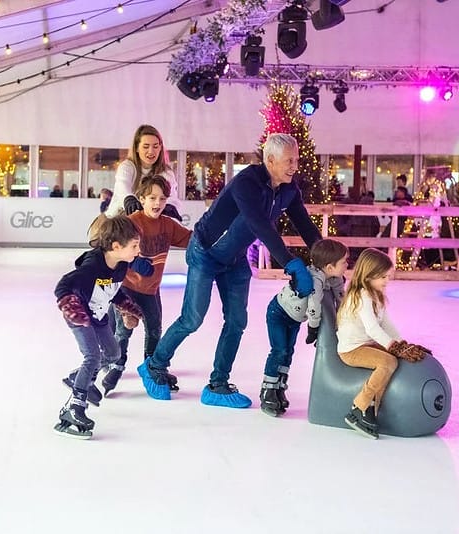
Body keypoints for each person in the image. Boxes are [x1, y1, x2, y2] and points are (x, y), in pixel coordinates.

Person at [138, 133, 322, 408]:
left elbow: (305, 225)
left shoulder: (288, 189)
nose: (295, 165)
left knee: (237, 321)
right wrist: (291, 263)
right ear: (270, 160)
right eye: (289, 160)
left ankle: (218, 384)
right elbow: (260, 225)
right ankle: (154, 365)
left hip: (234, 259)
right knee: (193, 318)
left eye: (296, 159)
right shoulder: (247, 183)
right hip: (205, 252)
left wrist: (325, 257)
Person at [53, 215, 144, 439]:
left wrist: (127, 307)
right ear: (116, 246)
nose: (138, 250)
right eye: (134, 246)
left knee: (114, 353)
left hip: (99, 316)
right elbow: (63, 286)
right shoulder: (91, 266)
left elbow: (111, 290)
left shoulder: (121, 266)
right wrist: (73, 308)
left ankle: (78, 378)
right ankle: (72, 409)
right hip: (80, 315)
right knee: (92, 357)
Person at [102, 175, 193, 396]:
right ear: (141, 199)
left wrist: (210, 232)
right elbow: (114, 247)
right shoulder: (132, 222)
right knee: (125, 329)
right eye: (152, 197)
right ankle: (117, 364)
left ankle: (151, 366)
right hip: (128, 287)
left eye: (162, 199)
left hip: (151, 290)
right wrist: (133, 260)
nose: (157, 203)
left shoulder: (168, 225)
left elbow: (191, 239)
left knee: (154, 329)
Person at [336, 248, 431, 439]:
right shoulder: (361, 296)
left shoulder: (376, 294)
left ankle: (374, 407)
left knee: (394, 357)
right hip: (352, 349)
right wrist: (392, 348)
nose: (387, 281)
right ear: (368, 275)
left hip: (367, 344)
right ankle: (359, 407)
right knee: (388, 362)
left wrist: (403, 345)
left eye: (387, 276)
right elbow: (372, 329)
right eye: (383, 277)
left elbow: (386, 325)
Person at [260, 239, 349, 417]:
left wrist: (344, 320)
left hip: (294, 318)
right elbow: (313, 307)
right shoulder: (315, 281)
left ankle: (279, 387)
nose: (347, 265)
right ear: (330, 267)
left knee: (288, 352)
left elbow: (341, 297)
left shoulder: (335, 277)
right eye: (344, 262)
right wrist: (313, 328)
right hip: (278, 313)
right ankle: (268, 390)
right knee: (279, 350)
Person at [104, 124, 182, 221]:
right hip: (119, 221)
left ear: (160, 148)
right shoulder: (127, 167)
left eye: (155, 146)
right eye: (146, 146)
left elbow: (172, 196)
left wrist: (170, 205)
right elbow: (122, 186)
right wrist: (128, 198)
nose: (151, 151)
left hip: (149, 224)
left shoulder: (166, 172)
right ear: (136, 148)